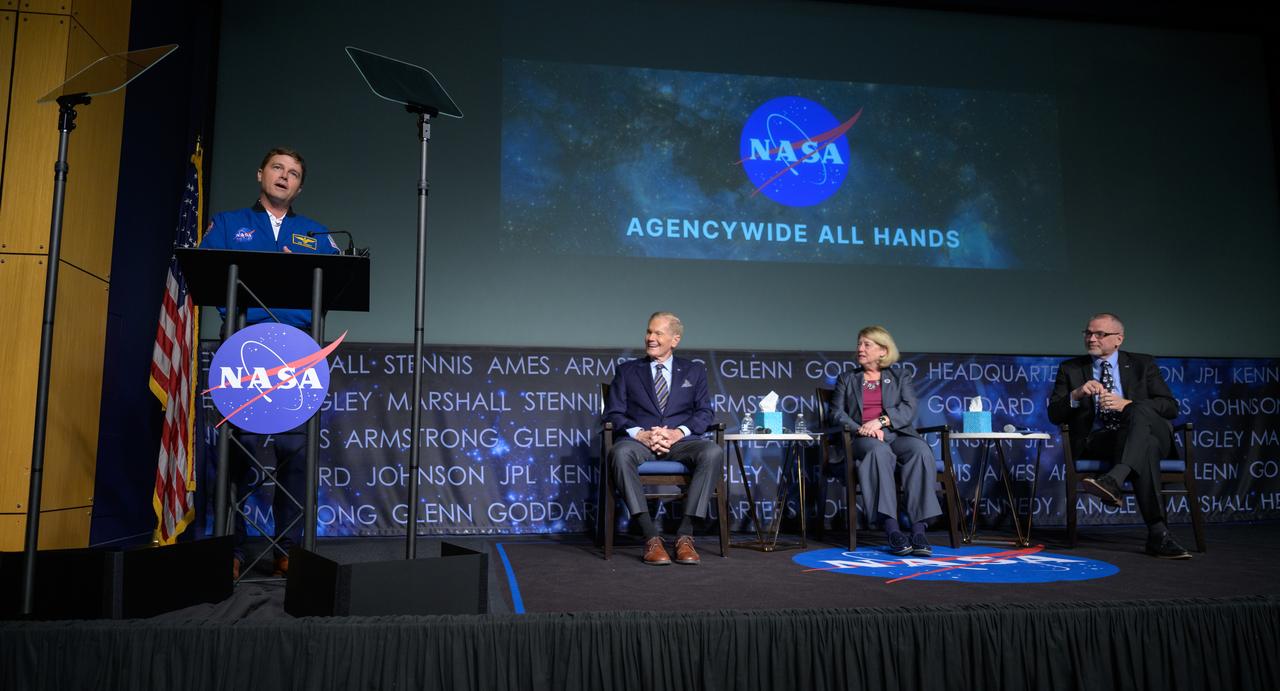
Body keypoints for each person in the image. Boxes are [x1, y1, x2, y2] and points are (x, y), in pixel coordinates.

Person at [200, 147, 340, 578]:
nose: (284, 176)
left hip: (297, 353)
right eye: (277, 168)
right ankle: (234, 549)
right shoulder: (227, 224)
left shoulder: (315, 234)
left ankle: (289, 549)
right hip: (243, 350)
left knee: (295, 455)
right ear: (261, 173)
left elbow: (336, 283)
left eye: (294, 172)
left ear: (300, 186)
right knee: (234, 454)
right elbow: (204, 271)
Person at [1047, 312, 1190, 559]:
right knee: (1148, 446)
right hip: (1101, 440)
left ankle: (1113, 479)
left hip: (1147, 428)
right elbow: (1054, 415)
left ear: (1118, 339)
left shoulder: (1142, 364)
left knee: (1139, 410)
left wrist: (1127, 404)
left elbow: (1170, 407)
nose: (1092, 338)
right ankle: (1158, 534)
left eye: (1099, 334)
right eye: (1088, 333)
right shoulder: (1070, 369)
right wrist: (1077, 394)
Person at [603, 312, 722, 565]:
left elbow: (704, 412)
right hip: (639, 442)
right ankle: (650, 537)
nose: (650, 338)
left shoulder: (694, 370)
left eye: (658, 333)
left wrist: (678, 432)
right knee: (619, 453)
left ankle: (685, 535)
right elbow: (613, 413)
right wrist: (642, 434)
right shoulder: (627, 371)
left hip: (681, 442)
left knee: (712, 452)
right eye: (649, 332)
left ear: (674, 339)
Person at [827, 326, 940, 556]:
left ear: (883, 350)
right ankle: (892, 529)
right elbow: (836, 413)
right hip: (862, 439)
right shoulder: (847, 378)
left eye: (867, 344)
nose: (860, 349)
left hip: (896, 434)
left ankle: (918, 531)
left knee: (920, 450)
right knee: (879, 453)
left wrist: (881, 421)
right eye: (859, 344)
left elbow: (909, 408)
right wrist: (862, 428)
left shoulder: (900, 376)